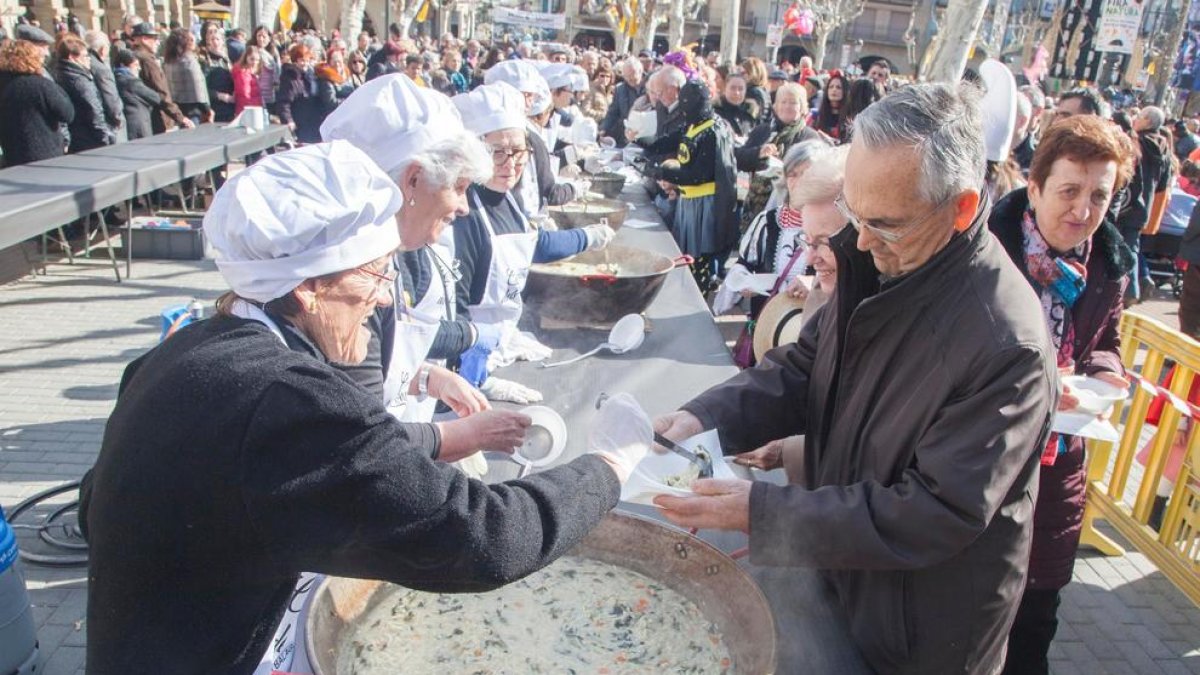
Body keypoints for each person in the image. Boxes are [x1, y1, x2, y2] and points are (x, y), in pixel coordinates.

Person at [78, 140, 651, 671]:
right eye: (375, 273)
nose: (382, 297)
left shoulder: (187, 350)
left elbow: (92, 504)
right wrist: (608, 465)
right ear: (307, 288)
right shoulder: (288, 400)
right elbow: (485, 539)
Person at [652, 83, 1056, 674]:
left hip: (921, 636)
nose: (861, 242)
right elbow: (803, 366)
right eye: (855, 214)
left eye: (885, 225)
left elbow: (934, 513)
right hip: (844, 580)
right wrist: (704, 417)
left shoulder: (1005, 346)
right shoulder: (881, 258)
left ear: (962, 208)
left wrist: (762, 512)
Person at [988, 114, 1135, 675]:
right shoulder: (983, 253)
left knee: (1035, 620)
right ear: (1035, 187)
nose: (1083, 210)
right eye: (1069, 190)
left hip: (1058, 467)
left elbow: (1108, 339)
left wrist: (1105, 369)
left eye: (1099, 195)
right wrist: (1040, 383)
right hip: (984, 460)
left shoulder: (1108, 266)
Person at [450, 83, 614, 402]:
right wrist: (472, 376)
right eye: (497, 152)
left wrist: (586, 237)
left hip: (492, 345)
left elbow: (532, 245)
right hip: (462, 361)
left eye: (518, 151)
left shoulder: (506, 198)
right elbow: (454, 310)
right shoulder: (463, 214)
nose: (511, 163)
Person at [722, 140, 829, 366]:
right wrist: (743, 282)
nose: (798, 181)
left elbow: (845, 278)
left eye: (806, 174)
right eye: (793, 173)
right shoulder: (767, 221)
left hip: (812, 335)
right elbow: (745, 262)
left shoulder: (832, 228)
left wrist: (814, 284)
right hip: (768, 327)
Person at [645, 80, 739, 290]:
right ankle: (685, 288)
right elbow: (669, 140)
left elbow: (699, 174)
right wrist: (642, 144)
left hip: (705, 204)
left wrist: (663, 171)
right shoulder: (693, 125)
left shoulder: (713, 131)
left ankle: (699, 291)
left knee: (699, 254)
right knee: (685, 250)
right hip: (688, 201)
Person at [737, 82, 823, 227]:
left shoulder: (810, 137)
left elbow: (817, 176)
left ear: (802, 108)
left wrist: (785, 168)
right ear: (775, 106)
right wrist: (758, 153)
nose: (787, 106)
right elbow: (740, 160)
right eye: (783, 102)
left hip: (791, 209)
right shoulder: (762, 131)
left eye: (793, 102)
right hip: (755, 208)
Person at [0, 39, 73, 167]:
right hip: (45, 152)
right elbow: (67, 114)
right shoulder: (39, 84)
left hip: (12, 154)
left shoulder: (4, 83)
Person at [55, 35, 112, 152]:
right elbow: (93, 109)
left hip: (77, 137)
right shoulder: (79, 80)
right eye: (85, 56)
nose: (89, 59)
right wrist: (105, 137)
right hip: (90, 137)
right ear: (72, 57)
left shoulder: (60, 73)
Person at [163, 28, 211, 126]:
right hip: (193, 109)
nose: (193, 41)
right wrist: (207, 109)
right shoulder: (189, 61)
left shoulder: (168, 62)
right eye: (190, 39)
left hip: (177, 108)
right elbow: (198, 89)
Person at [84, 30, 125, 143]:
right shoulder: (101, 69)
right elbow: (111, 98)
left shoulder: (85, 63)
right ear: (103, 49)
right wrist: (118, 119)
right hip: (107, 124)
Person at [276, 43, 320, 142]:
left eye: (307, 60)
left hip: (312, 120)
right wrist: (288, 120)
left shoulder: (309, 75)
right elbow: (284, 102)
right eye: (302, 60)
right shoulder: (290, 78)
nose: (305, 63)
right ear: (295, 61)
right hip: (299, 121)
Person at [112, 48, 159, 141]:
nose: (139, 68)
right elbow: (155, 97)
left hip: (129, 125)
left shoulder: (115, 78)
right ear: (123, 65)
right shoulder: (131, 81)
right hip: (139, 126)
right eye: (135, 65)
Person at [599, 57, 643, 146]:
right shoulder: (620, 89)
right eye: (627, 76)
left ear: (640, 72)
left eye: (633, 75)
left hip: (644, 135)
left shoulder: (649, 87)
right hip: (626, 137)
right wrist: (603, 128)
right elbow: (613, 112)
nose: (630, 79)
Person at [199, 28, 235, 122]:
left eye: (217, 39)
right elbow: (202, 88)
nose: (215, 42)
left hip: (230, 106)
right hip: (215, 107)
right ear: (208, 43)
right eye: (212, 39)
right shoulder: (204, 61)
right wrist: (220, 96)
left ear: (222, 42)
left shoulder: (226, 60)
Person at [314, 47, 354, 123]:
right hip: (334, 118)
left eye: (339, 60)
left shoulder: (348, 75)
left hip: (348, 116)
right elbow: (331, 102)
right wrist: (350, 101)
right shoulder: (326, 78)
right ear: (329, 62)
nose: (337, 63)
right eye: (334, 60)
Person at [713, 73, 758, 139]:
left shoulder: (750, 113)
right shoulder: (715, 112)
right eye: (732, 88)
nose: (737, 92)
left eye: (740, 89)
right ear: (725, 88)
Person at [251, 26, 279, 115]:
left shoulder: (273, 53)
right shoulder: (253, 52)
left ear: (269, 38)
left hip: (271, 94)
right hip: (259, 94)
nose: (261, 39)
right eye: (259, 36)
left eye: (264, 36)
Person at [812, 71, 846, 141]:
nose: (834, 90)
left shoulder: (849, 118)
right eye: (831, 87)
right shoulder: (815, 115)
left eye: (838, 87)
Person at [231, 45, 262, 116]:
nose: (255, 62)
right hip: (247, 110)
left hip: (252, 108)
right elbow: (244, 93)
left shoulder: (251, 71)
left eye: (257, 60)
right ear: (246, 57)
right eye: (252, 59)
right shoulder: (242, 73)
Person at [741, 56, 770, 123]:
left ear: (752, 73)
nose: (740, 76)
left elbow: (752, 117)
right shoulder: (763, 90)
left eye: (743, 73)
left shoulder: (753, 92)